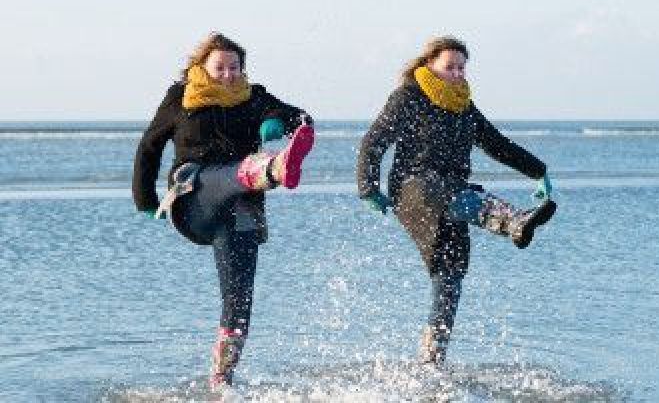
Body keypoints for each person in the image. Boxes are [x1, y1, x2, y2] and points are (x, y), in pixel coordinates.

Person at [356, 36, 556, 366]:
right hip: (414, 190)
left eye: (462, 68)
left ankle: (432, 359)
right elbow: (374, 140)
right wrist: (367, 187)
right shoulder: (410, 96)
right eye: (450, 67)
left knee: (450, 270)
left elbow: (496, 144)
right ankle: (513, 222)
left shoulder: (464, 106)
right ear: (430, 65)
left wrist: (539, 171)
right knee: (443, 191)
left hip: (453, 193)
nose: (457, 73)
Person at [132, 32, 314, 389]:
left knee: (239, 297)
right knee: (230, 172)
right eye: (220, 67)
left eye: (235, 67)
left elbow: (302, 117)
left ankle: (221, 381)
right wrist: (145, 198)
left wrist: (278, 120)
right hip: (193, 197)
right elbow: (150, 145)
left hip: (240, 210)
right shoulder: (180, 97)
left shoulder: (254, 96)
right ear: (202, 67)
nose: (229, 74)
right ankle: (270, 169)